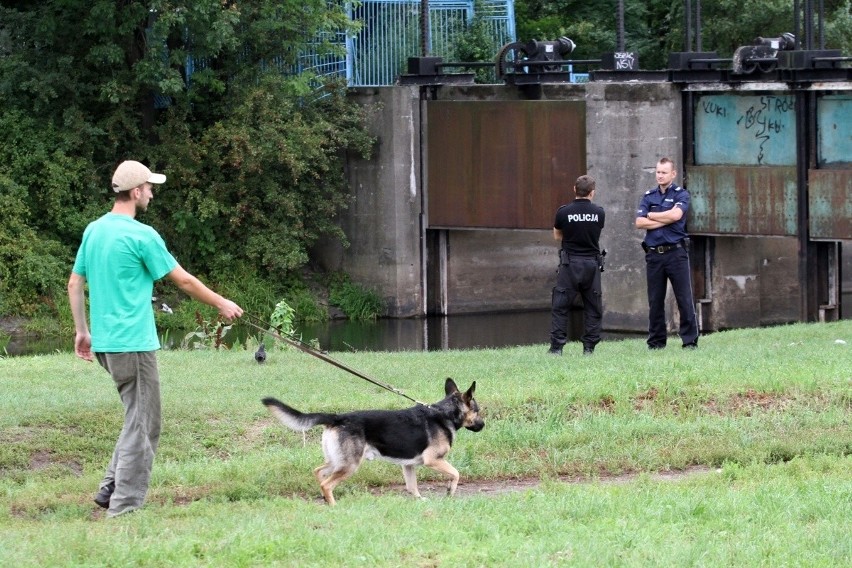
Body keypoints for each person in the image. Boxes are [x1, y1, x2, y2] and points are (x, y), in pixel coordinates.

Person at [68, 160, 243, 517]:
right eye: (149, 188)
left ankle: (109, 489)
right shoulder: (141, 235)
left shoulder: (94, 230)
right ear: (135, 192)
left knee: (136, 417)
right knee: (147, 424)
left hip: (106, 345)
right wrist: (221, 302)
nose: (151, 193)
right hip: (134, 344)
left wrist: (82, 331)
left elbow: (74, 283)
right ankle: (124, 507)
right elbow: (184, 281)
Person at [634, 157, 699, 349]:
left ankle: (689, 342)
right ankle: (656, 342)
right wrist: (665, 218)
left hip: (675, 254)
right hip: (654, 254)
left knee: (684, 298)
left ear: (673, 174)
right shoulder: (649, 196)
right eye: (657, 172)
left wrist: (652, 216)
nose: (660, 176)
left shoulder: (681, 194)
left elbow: (676, 215)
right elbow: (639, 222)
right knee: (655, 300)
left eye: (663, 172)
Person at [548, 174, 606, 356]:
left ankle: (557, 348)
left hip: (570, 264)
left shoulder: (563, 212)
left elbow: (557, 235)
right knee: (593, 307)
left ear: (574, 189)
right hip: (591, 265)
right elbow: (594, 234)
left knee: (560, 306)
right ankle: (589, 348)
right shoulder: (599, 212)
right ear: (592, 193)